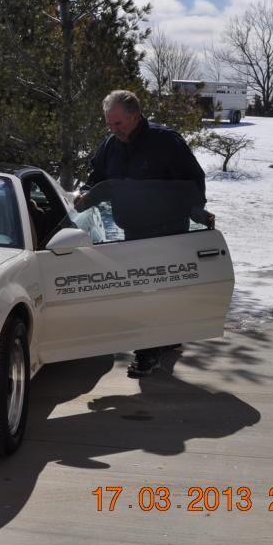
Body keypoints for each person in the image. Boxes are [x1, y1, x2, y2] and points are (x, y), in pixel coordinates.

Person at [74, 89, 214, 378]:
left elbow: (193, 181)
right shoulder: (110, 145)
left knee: (151, 288)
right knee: (144, 289)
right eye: (109, 124)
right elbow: (97, 178)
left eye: (118, 123)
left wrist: (197, 211)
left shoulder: (166, 142)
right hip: (134, 229)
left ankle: (147, 353)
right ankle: (166, 335)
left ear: (135, 117)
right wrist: (85, 195)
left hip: (168, 228)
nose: (112, 129)